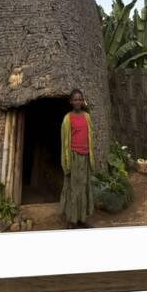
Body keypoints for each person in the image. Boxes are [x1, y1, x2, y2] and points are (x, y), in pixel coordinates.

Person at [60, 88, 96, 229]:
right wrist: (66, 162)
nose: (78, 101)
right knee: (73, 188)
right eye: (75, 99)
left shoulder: (87, 117)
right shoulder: (67, 119)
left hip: (85, 156)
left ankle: (82, 219)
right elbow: (64, 143)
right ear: (71, 101)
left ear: (83, 101)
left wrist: (90, 155)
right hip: (73, 157)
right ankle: (72, 220)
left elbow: (90, 137)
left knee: (84, 187)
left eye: (80, 99)